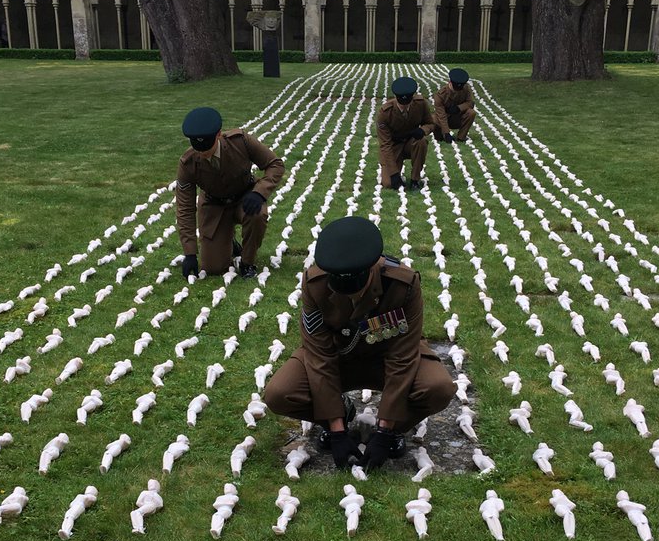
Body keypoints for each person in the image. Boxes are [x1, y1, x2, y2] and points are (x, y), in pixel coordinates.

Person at [263, 216, 455, 470]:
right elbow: (319, 355)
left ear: (372, 267)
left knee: (438, 387)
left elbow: (402, 355)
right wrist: (336, 428)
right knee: (279, 393)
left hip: (387, 355)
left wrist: (386, 429)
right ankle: (340, 411)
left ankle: (396, 427)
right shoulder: (315, 283)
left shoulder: (402, 284)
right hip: (338, 355)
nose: (349, 293)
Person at [176, 106, 284, 279]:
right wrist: (189, 253)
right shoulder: (188, 163)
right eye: (198, 149)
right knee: (214, 267)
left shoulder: (240, 142)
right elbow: (184, 208)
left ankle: (247, 262)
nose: (202, 153)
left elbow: (275, 164)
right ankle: (229, 241)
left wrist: (259, 193)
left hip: (245, 198)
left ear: (218, 134)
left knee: (257, 214)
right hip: (214, 206)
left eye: (207, 148)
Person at [376, 76, 434, 190]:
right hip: (393, 146)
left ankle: (415, 179)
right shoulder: (385, 113)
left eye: (407, 103)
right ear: (396, 98)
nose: (404, 106)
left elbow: (431, 123)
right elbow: (385, 145)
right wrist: (394, 174)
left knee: (421, 142)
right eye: (401, 103)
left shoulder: (421, 104)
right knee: (388, 184)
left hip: (410, 143)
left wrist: (423, 130)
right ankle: (396, 174)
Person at [432, 67, 475, 143]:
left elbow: (470, 103)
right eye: (455, 89)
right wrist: (447, 133)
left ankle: (461, 137)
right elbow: (441, 115)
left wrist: (459, 108)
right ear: (450, 83)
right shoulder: (440, 95)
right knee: (434, 119)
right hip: (445, 119)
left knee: (471, 113)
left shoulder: (465, 88)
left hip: (458, 117)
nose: (457, 91)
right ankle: (440, 136)